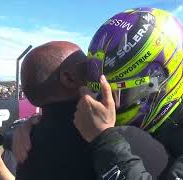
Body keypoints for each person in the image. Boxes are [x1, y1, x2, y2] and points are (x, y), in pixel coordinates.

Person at [74, 7, 183, 179]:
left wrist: (105, 140)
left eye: (121, 93)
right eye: (99, 93)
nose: (109, 105)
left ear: (160, 81)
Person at [13, 41, 168, 180]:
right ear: (69, 78)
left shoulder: (23, 147)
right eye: (88, 67)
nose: (99, 71)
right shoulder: (127, 141)